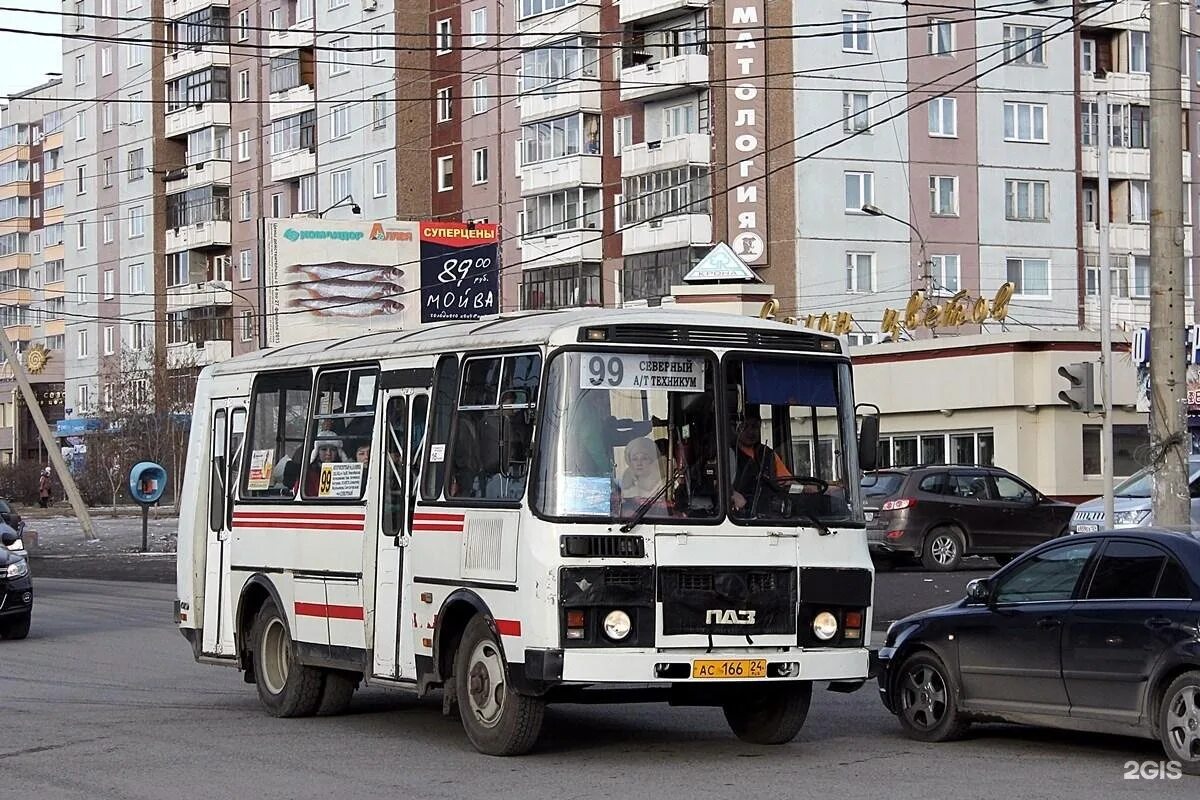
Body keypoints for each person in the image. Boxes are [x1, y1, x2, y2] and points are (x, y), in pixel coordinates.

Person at [730, 412, 791, 516]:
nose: (750, 432)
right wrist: (732, 494)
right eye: (745, 426)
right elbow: (717, 484)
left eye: (755, 427)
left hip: (768, 515)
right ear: (736, 428)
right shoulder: (727, 453)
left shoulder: (768, 454)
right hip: (738, 517)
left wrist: (806, 488)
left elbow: (787, 482)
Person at [303, 430, 345, 496]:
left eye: (333, 450)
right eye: (324, 449)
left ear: (338, 453)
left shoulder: (345, 472)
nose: (328, 453)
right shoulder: (307, 473)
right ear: (317, 452)